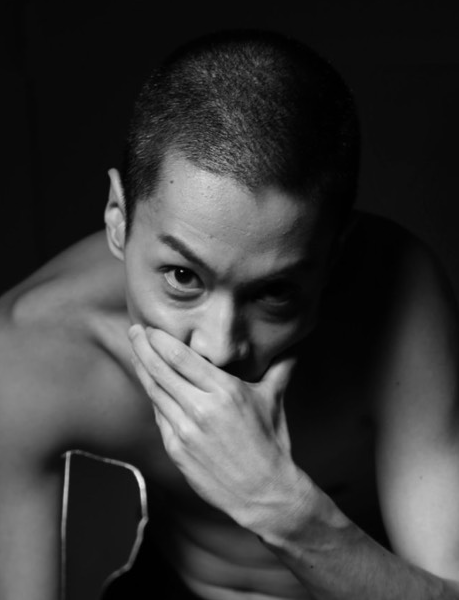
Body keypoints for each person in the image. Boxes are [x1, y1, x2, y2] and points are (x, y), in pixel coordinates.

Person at [1, 28, 458, 600]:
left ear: (332, 259)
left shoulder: (399, 300)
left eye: (274, 293)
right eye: (182, 277)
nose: (218, 348)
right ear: (118, 217)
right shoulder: (34, 345)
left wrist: (281, 507)